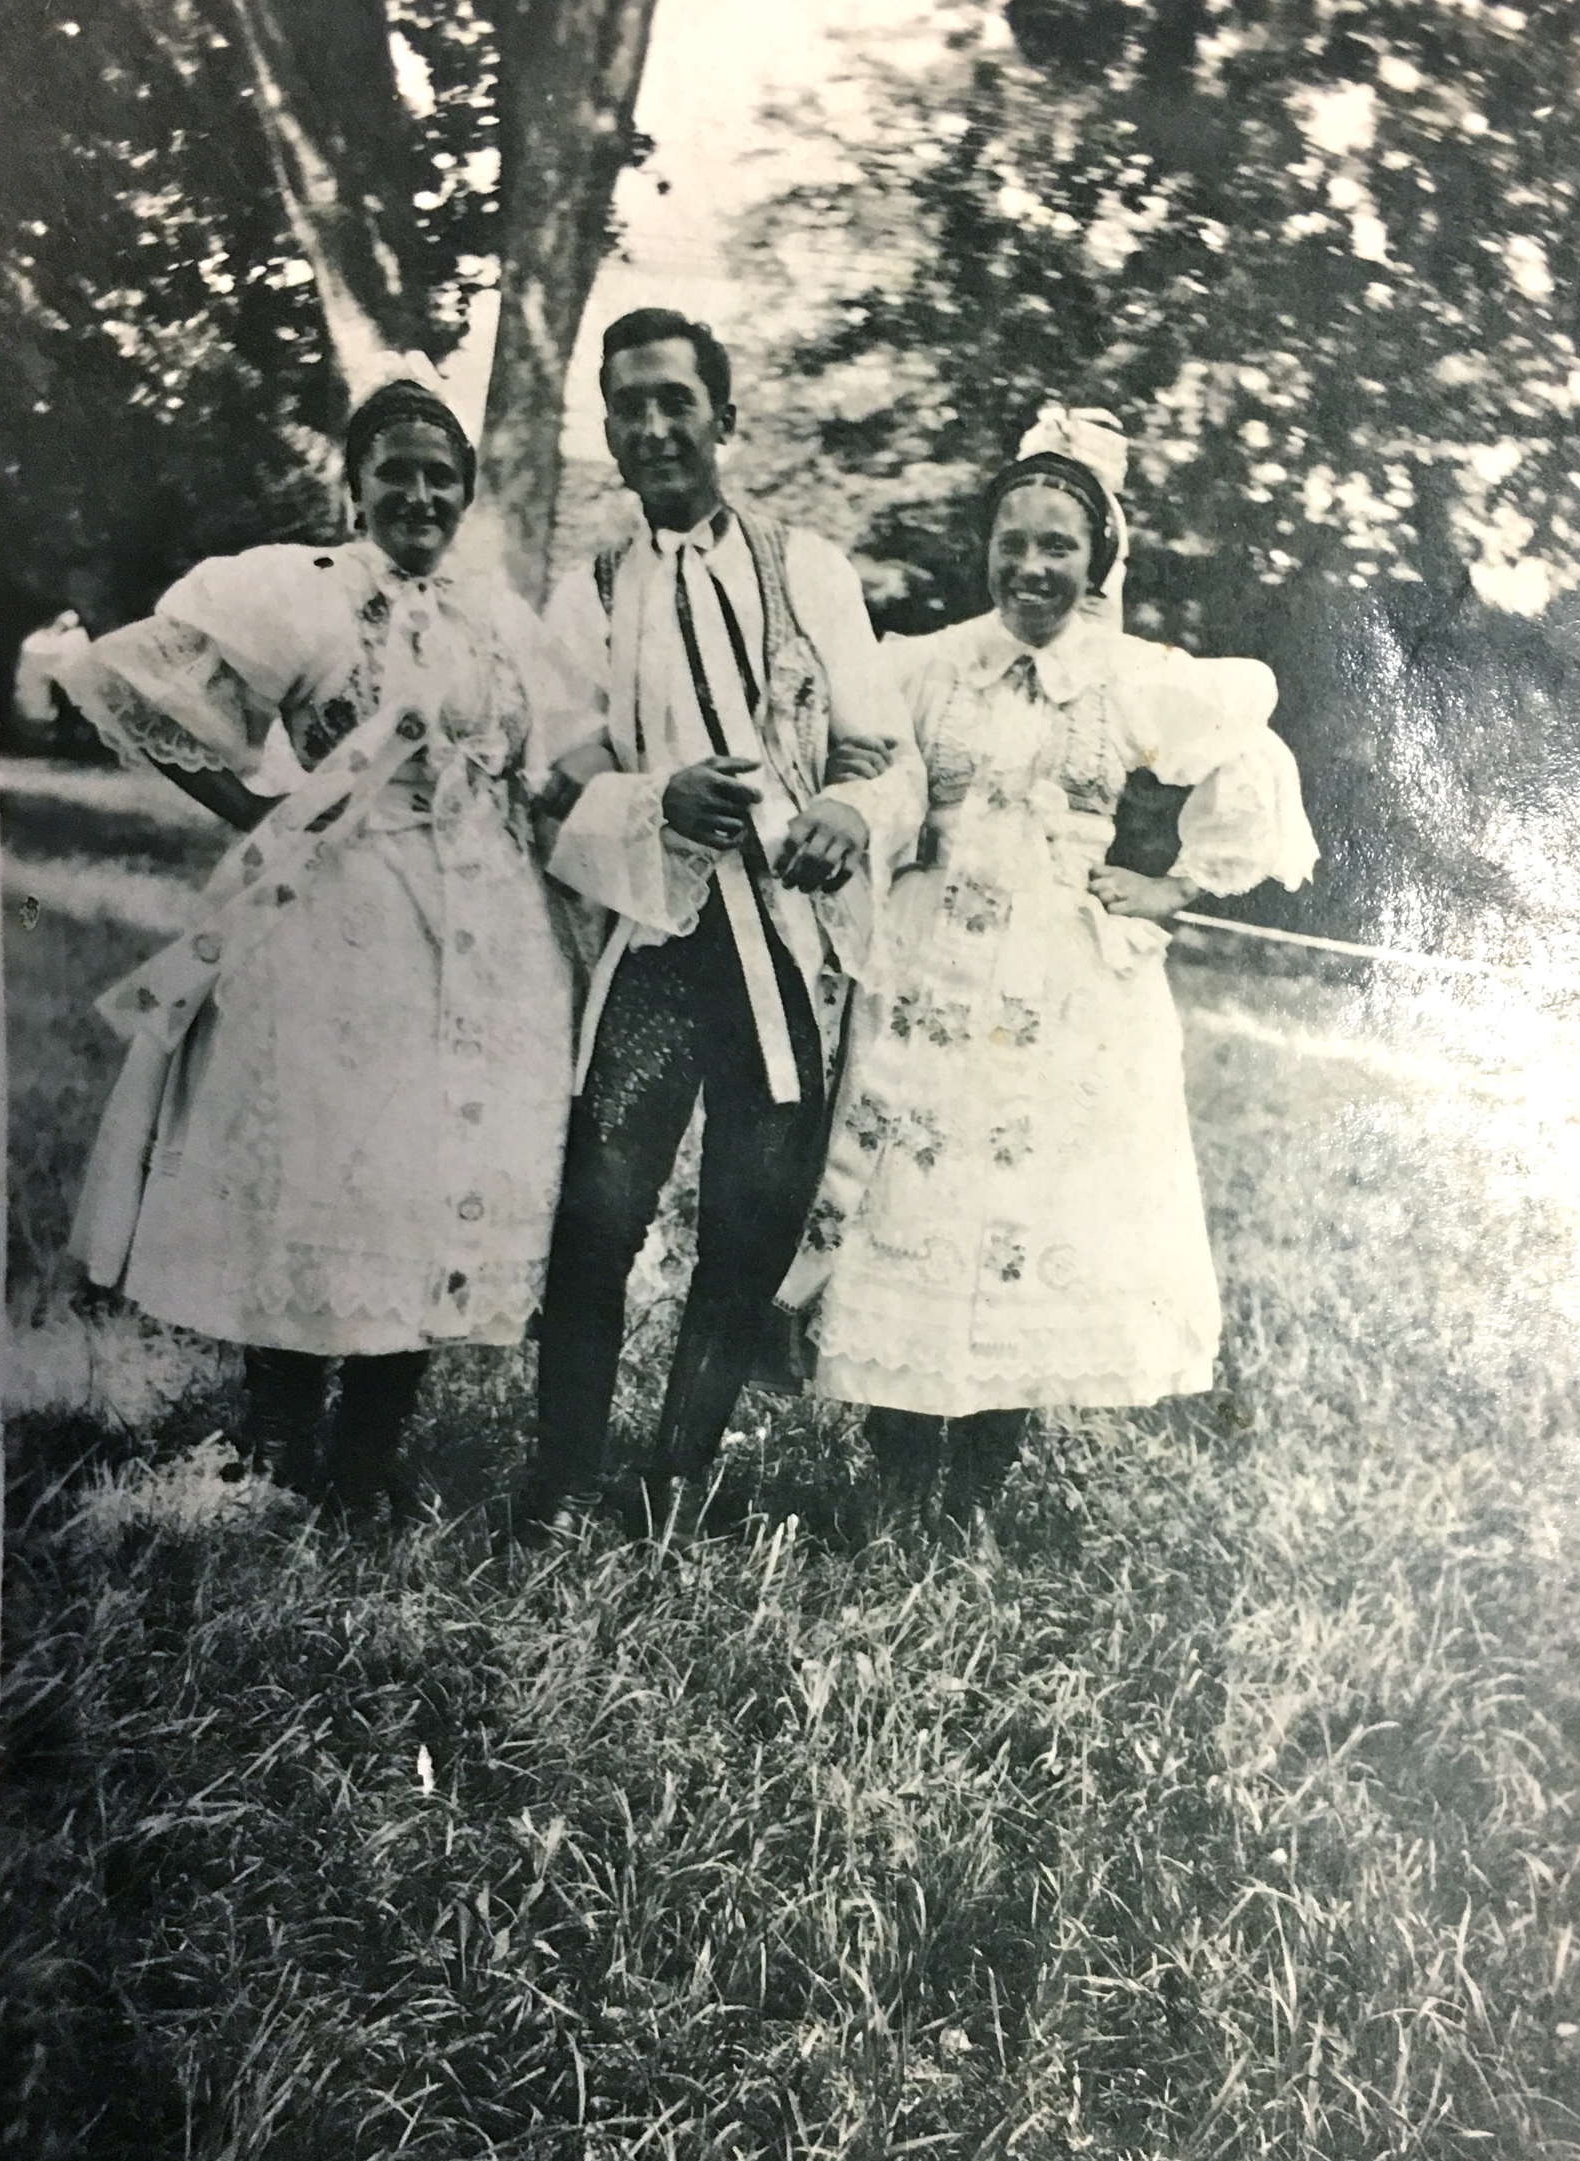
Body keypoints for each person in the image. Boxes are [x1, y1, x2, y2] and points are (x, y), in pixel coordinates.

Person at [778, 404, 1319, 1544]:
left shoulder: (1130, 678)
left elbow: (1249, 746)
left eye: (1058, 546)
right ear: (985, 548)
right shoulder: (928, 666)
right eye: (1012, 542)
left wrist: (1175, 883)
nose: (1031, 567)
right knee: (911, 1196)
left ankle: (972, 1492)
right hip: (927, 975)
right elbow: (853, 763)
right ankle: (895, 1482)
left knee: (1021, 1211)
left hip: (1059, 988)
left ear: (1097, 560)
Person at [58, 377, 580, 1515]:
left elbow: (551, 769)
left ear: (467, 496)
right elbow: (131, 676)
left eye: (442, 477)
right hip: (340, 921)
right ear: (355, 489)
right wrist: (255, 811)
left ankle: (371, 1447)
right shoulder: (305, 590)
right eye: (396, 472)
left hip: (487, 931)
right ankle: (281, 1435)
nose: (420, 495)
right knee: (325, 1160)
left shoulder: (500, 620)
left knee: (431, 1172)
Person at [528, 307, 925, 1529]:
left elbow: (882, 751)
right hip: (658, 941)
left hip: (789, 948)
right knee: (598, 1213)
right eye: (629, 407)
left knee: (748, 1226)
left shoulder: (805, 568)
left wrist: (848, 813)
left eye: (676, 402)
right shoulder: (591, 593)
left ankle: (675, 1482)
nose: (654, 427)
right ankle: (560, 1477)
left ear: (724, 420)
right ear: (608, 432)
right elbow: (557, 773)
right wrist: (657, 799)